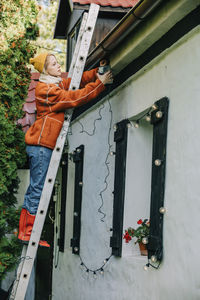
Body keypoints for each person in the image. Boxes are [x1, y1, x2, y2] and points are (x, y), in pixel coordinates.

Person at [18, 52, 113, 247]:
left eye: (57, 62)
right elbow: (73, 97)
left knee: (36, 188)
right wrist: (100, 83)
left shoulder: (52, 84)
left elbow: (72, 82)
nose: (58, 65)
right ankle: (27, 232)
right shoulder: (46, 90)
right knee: (37, 189)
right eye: (53, 64)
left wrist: (96, 72)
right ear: (45, 70)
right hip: (41, 146)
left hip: (42, 146)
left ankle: (27, 231)